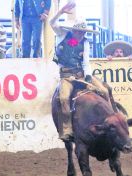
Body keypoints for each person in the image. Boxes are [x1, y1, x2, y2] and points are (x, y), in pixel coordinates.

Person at [50, 2, 114, 141]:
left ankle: (112, 120)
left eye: (82, 32)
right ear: (73, 30)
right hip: (66, 76)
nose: (80, 34)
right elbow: (52, 22)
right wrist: (61, 11)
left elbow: (85, 62)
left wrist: (89, 76)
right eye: (78, 31)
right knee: (63, 98)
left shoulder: (85, 42)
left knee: (104, 91)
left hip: (81, 74)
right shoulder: (62, 34)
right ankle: (67, 129)